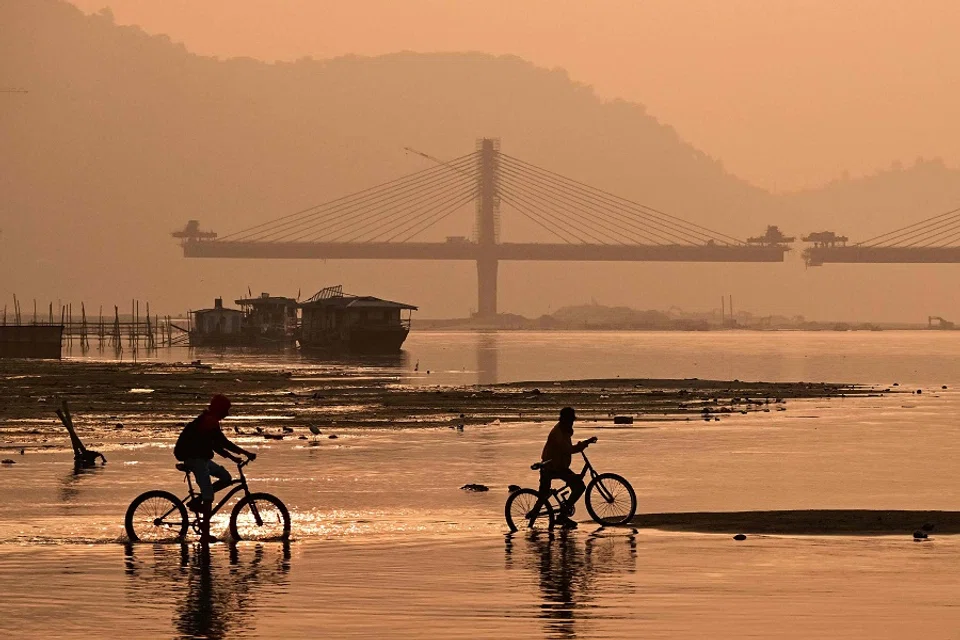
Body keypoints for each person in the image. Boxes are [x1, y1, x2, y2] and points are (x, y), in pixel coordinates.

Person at [174, 394, 256, 544]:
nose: (227, 414)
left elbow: (215, 445)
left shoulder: (211, 420)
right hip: (195, 459)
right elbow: (223, 442)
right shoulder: (210, 421)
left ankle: (196, 502)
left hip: (203, 459)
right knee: (209, 495)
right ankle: (205, 534)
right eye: (226, 410)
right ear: (220, 409)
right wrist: (245, 452)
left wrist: (232, 458)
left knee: (226, 478)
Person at [529, 407, 597, 529]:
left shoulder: (564, 430)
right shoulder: (558, 433)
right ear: (566, 420)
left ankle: (558, 515)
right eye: (571, 420)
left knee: (544, 494)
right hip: (552, 467)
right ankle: (562, 516)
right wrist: (584, 444)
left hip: (557, 466)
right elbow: (568, 449)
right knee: (579, 486)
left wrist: (585, 443)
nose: (572, 422)